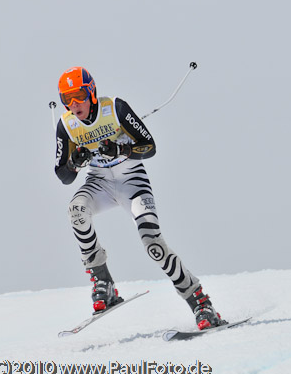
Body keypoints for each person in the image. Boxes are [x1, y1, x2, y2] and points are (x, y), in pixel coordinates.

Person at [54, 66, 226, 330]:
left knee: (153, 244)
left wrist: (121, 148)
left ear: (91, 92)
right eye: (67, 99)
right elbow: (63, 176)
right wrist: (74, 163)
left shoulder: (115, 109)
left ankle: (201, 303)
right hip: (99, 183)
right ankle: (103, 281)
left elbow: (149, 146)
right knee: (76, 211)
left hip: (132, 181)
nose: (73, 104)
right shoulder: (67, 125)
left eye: (78, 96)